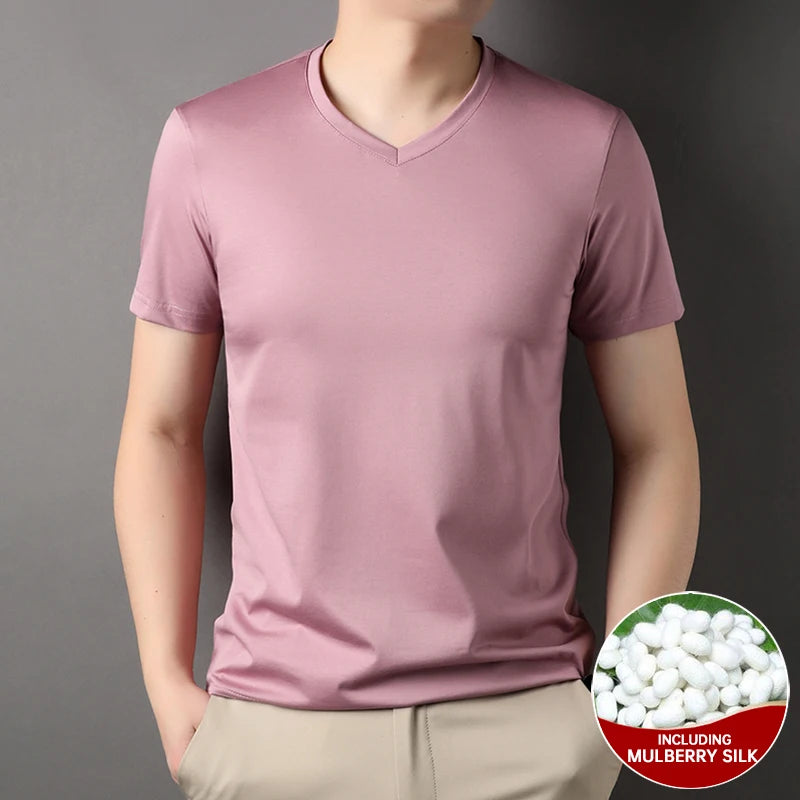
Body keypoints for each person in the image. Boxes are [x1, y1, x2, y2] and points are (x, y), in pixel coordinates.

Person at [114, 1, 700, 798]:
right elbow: (162, 429)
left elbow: (657, 440)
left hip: (529, 733)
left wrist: (631, 683)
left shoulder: (589, 145)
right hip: (275, 735)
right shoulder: (211, 144)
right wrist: (163, 678)